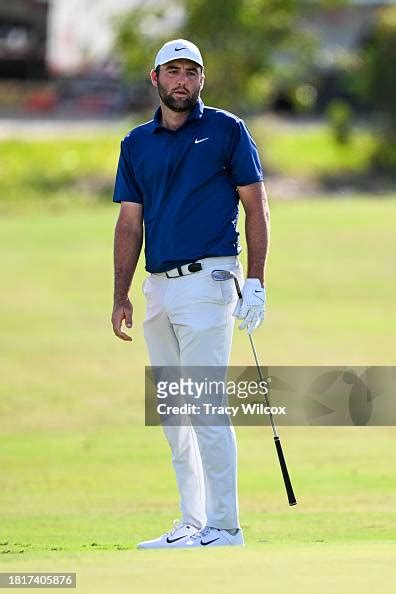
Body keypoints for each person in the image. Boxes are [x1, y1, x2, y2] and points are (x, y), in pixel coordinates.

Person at [111, 39, 270, 548]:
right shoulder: (136, 143)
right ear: (154, 78)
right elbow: (129, 223)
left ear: (202, 79)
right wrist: (121, 295)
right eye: (172, 71)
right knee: (172, 412)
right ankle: (193, 522)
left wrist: (257, 280)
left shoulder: (227, 130)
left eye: (191, 72)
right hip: (157, 288)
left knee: (204, 406)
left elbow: (257, 207)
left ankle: (226, 526)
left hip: (210, 281)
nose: (182, 80)